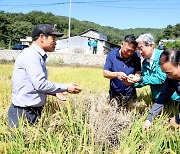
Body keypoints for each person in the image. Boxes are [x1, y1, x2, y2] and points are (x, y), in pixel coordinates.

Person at [8, 24, 82, 128]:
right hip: (23, 113)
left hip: (30, 111)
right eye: (53, 38)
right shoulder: (31, 55)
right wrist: (66, 87)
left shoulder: (37, 55)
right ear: (42, 37)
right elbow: (40, 84)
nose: (55, 42)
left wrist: (54, 92)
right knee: (22, 142)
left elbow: (32, 85)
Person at [131, 33, 179, 102]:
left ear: (151, 45)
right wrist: (133, 82)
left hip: (173, 98)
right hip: (158, 98)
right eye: (138, 50)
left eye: (141, 49)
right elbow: (145, 79)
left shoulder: (164, 57)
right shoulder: (145, 62)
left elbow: (162, 78)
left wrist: (140, 78)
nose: (140, 52)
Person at [143, 49, 180, 129]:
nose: (168, 77)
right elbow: (163, 97)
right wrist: (149, 118)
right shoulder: (171, 79)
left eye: (169, 72)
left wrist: (177, 119)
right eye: (165, 73)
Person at [103, 34, 141, 109]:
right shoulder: (112, 54)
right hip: (114, 94)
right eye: (127, 50)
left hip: (131, 94)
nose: (129, 53)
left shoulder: (136, 56)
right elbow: (105, 73)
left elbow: (138, 72)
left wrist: (135, 78)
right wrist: (117, 74)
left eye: (132, 51)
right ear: (122, 44)